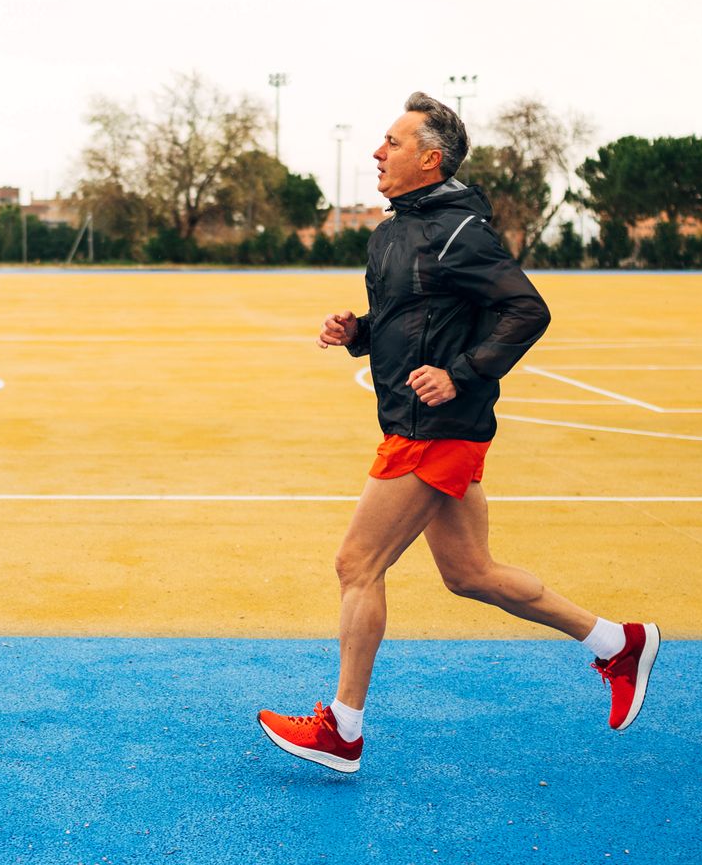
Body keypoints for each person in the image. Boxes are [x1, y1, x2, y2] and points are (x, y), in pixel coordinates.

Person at [257, 92, 659, 775]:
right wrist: (356, 332)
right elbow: (407, 315)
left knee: (357, 563)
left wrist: (463, 372)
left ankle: (343, 728)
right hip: (421, 422)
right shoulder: (393, 232)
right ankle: (616, 642)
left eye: (392, 142)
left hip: (436, 426)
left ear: (429, 158)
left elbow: (526, 310)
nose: (377, 153)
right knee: (471, 573)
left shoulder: (458, 231)